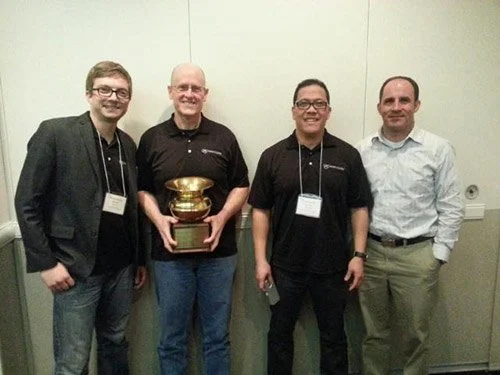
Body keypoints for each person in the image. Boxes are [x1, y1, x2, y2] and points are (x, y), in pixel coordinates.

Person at [14, 61, 147, 374]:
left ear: (128, 100)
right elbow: (27, 201)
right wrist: (46, 263)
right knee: (73, 361)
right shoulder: (55, 133)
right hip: (75, 270)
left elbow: (129, 208)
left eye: (122, 92)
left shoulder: (127, 144)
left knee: (115, 344)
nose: (113, 97)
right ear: (89, 94)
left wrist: (139, 260)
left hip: (121, 269)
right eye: (105, 89)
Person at [248, 78, 372, 375]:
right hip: (284, 268)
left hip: (333, 269)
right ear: (293, 110)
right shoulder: (273, 156)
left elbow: (359, 207)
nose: (311, 110)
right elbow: (260, 211)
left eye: (319, 104)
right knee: (279, 337)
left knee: (334, 338)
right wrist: (261, 260)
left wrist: (358, 255)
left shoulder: (346, 155)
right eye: (304, 103)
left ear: (328, 111)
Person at [136, 63, 249, 375]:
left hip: (219, 254)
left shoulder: (224, 137)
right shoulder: (151, 139)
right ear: (170, 91)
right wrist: (158, 219)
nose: (189, 93)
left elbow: (242, 184)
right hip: (169, 255)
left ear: (205, 94)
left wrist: (223, 215)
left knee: (217, 338)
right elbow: (141, 189)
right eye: (182, 87)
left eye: (195, 88)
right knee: (172, 340)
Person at [356, 76, 465, 374]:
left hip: (417, 256)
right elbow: (356, 207)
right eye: (389, 101)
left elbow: (452, 205)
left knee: (414, 337)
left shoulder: (438, 149)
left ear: (416, 105)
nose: (396, 107)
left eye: (404, 100)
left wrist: (437, 255)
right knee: (373, 335)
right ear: (379, 107)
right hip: (372, 254)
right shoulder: (363, 151)